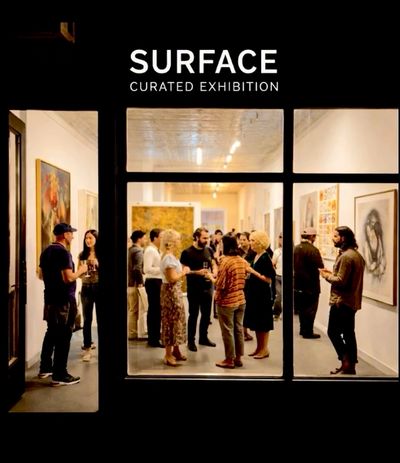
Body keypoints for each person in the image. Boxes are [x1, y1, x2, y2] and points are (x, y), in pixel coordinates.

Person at [38, 222, 87, 386]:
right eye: (71, 233)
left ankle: (45, 368)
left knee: (51, 332)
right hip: (64, 300)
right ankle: (60, 374)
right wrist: (81, 271)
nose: (72, 236)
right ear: (65, 235)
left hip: (50, 298)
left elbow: (41, 275)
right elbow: (68, 278)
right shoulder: (63, 253)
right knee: (63, 336)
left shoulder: (46, 251)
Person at [320, 226, 365, 375]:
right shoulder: (356, 255)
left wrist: (326, 276)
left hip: (341, 301)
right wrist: (331, 273)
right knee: (348, 333)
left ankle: (346, 360)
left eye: (335, 236)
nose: (333, 239)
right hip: (351, 301)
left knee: (333, 332)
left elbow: (340, 281)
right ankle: (350, 365)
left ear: (343, 238)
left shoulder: (346, 257)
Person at [212, 234, 248, 369]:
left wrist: (210, 277)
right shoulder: (241, 260)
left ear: (225, 245)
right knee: (238, 329)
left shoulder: (225, 262)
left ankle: (229, 359)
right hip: (240, 298)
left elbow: (220, 284)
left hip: (227, 301)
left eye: (221, 243)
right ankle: (238, 358)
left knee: (227, 331)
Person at [180, 227, 217, 352]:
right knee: (194, 315)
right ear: (196, 237)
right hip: (194, 288)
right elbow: (184, 271)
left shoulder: (209, 250)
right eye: (204, 238)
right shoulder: (187, 252)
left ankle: (203, 338)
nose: (207, 240)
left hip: (208, 287)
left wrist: (214, 272)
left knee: (206, 315)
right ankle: (191, 341)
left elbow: (213, 264)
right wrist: (197, 272)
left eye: (208, 237)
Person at [159, 229, 191, 366]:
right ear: (171, 242)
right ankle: (168, 354)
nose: (179, 241)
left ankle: (176, 350)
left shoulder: (171, 256)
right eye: (177, 239)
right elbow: (172, 278)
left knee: (177, 320)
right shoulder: (168, 258)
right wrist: (184, 272)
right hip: (171, 292)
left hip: (174, 291)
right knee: (171, 321)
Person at [243, 230, 276, 359]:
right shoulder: (257, 256)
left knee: (263, 323)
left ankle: (264, 349)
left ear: (259, 242)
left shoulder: (265, 258)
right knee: (257, 323)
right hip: (254, 294)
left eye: (252, 241)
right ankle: (259, 348)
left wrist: (252, 272)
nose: (250, 243)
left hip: (262, 295)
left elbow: (268, 279)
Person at [293, 227, 324, 339]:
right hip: (311, 285)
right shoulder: (313, 250)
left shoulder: (296, 248)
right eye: (314, 236)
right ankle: (308, 331)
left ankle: (303, 329)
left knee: (302, 309)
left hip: (298, 284)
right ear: (312, 237)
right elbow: (320, 265)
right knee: (311, 310)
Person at [78, 229, 99, 362]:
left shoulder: (101, 254)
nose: (88, 240)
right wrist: (82, 272)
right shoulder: (82, 255)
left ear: (96, 239)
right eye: (86, 238)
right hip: (86, 288)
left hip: (99, 287)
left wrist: (97, 264)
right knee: (87, 319)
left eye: (90, 238)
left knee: (102, 318)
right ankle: (87, 348)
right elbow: (78, 273)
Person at [143, 228, 163, 347]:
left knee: (156, 310)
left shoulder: (156, 250)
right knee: (154, 311)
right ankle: (153, 339)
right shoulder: (150, 250)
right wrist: (163, 269)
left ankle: (155, 336)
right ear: (155, 238)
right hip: (153, 282)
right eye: (161, 237)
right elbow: (147, 269)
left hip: (157, 281)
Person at [127, 230, 146, 340]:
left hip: (128, 284)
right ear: (139, 239)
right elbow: (137, 268)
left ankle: (132, 333)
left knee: (131, 309)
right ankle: (132, 334)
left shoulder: (129, 250)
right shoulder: (138, 251)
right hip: (134, 284)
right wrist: (140, 283)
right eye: (144, 238)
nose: (145, 240)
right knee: (134, 311)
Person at [238, 231, 256, 341]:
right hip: (240, 282)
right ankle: (242, 332)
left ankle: (245, 331)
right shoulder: (237, 252)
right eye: (240, 239)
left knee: (248, 308)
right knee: (241, 307)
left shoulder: (253, 252)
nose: (242, 242)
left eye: (244, 240)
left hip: (251, 283)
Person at [363, 209, 386, 279]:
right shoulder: (366, 244)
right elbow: (369, 267)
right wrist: (376, 265)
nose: (372, 226)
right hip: (371, 277)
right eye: (371, 223)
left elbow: (383, 260)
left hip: (379, 276)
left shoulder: (379, 240)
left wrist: (378, 266)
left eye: (375, 223)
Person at [272, 233, 283, 321]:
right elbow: (273, 263)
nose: (281, 240)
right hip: (278, 277)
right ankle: (276, 313)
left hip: (289, 278)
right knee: (279, 297)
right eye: (280, 238)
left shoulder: (293, 251)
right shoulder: (277, 252)